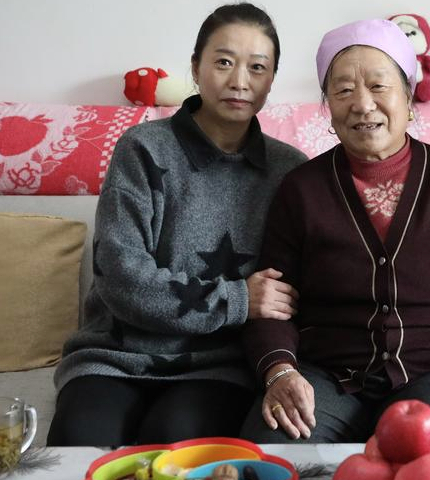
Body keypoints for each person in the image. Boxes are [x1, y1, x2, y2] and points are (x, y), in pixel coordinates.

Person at [240, 18, 430, 444]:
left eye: (378, 86)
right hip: (325, 377)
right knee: (271, 448)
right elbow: (272, 300)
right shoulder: (301, 188)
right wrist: (280, 371)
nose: (362, 104)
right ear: (328, 108)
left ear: (408, 98)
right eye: (343, 90)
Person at [47, 3, 306, 446]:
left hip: (218, 367)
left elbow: (286, 294)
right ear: (196, 67)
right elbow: (121, 278)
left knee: (175, 444)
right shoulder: (142, 149)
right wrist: (237, 298)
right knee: (79, 446)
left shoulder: (289, 171)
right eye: (223, 61)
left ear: (271, 80)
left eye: (257, 68)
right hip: (113, 357)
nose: (239, 81)